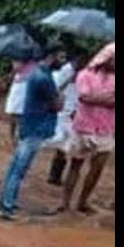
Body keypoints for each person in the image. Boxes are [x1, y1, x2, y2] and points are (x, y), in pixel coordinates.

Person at [0, 45, 67, 220]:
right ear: (51, 56)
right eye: (60, 57)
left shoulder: (37, 73)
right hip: (36, 128)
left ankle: (8, 202)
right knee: (19, 169)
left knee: (16, 167)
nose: (63, 61)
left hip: (30, 125)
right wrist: (61, 96)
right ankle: (7, 207)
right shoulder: (43, 77)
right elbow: (57, 105)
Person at [57, 43, 115, 214]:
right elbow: (84, 97)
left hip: (106, 128)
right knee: (75, 164)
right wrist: (108, 99)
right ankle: (65, 203)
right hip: (83, 127)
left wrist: (96, 98)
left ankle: (82, 202)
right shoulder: (85, 74)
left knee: (97, 168)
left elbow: (90, 98)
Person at [45, 46, 87, 185]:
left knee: (68, 143)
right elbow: (57, 87)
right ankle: (55, 174)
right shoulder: (67, 70)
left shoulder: (82, 72)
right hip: (65, 107)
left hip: (74, 108)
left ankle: (57, 174)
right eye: (81, 59)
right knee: (62, 142)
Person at [5, 58, 38, 147]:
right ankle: (13, 138)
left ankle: (18, 138)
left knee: (20, 115)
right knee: (14, 114)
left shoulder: (33, 62)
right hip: (18, 87)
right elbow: (14, 72)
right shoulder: (18, 59)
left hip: (24, 87)